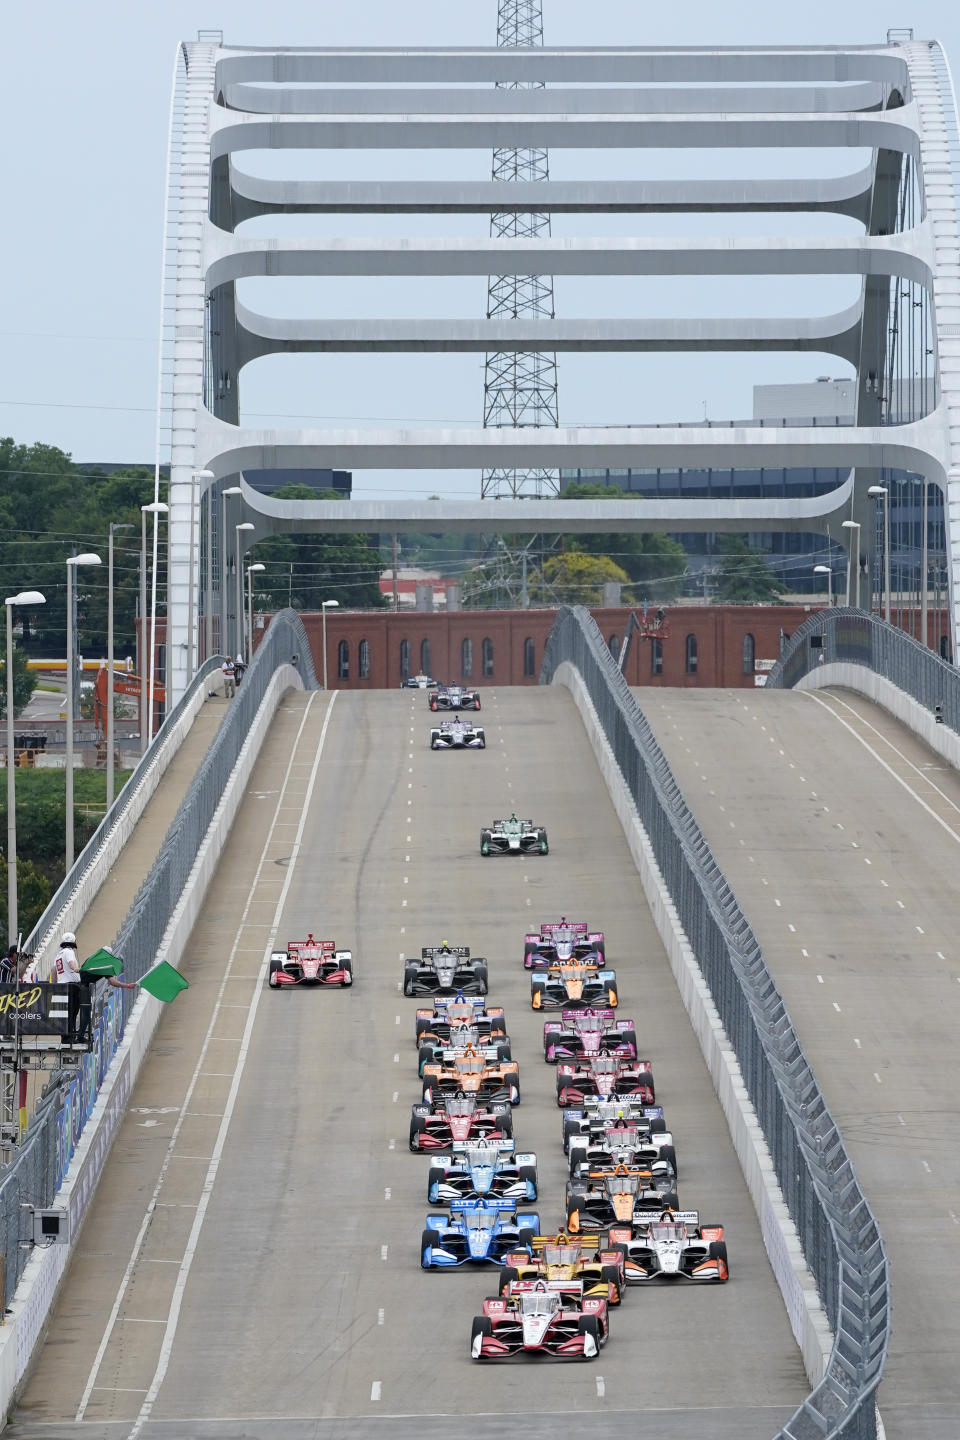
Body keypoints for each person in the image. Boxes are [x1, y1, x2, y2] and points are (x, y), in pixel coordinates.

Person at [53, 932, 82, 1038]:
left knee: (65, 1013)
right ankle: (71, 1035)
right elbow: (71, 963)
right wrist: (76, 969)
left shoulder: (58, 955)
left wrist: (54, 985)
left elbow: (53, 971)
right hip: (72, 986)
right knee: (73, 1011)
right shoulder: (69, 951)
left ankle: (64, 1036)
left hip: (61, 986)